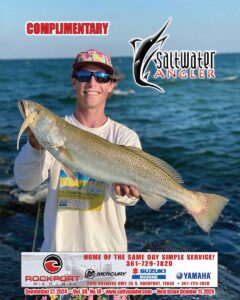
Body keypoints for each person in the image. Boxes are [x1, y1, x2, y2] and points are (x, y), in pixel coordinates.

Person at [14, 49, 141, 252]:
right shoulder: (51, 133)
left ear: (111, 85)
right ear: (74, 81)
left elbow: (130, 199)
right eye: (84, 76)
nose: (92, 83)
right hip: (56, 259)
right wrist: (35, 146)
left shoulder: (125, 137)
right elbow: (26, 183)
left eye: (101, 77)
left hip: (108, 261)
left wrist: (126, 194)